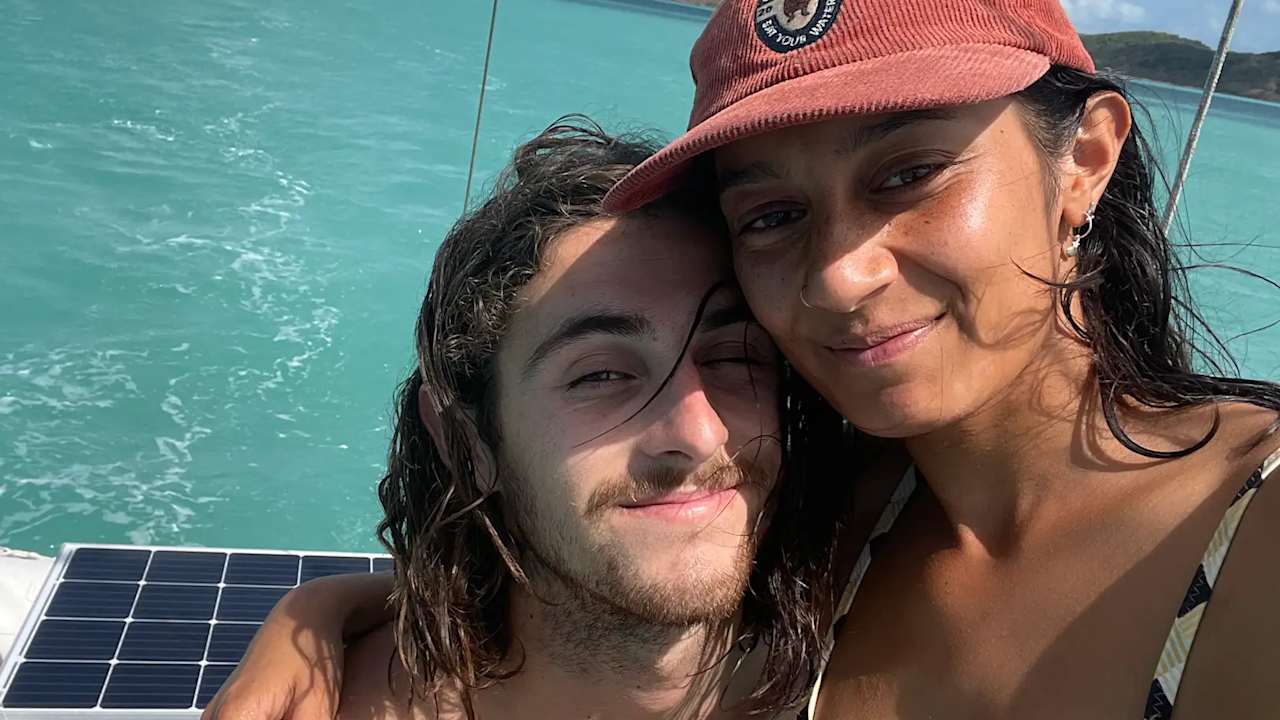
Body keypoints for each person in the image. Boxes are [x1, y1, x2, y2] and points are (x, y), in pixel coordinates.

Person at [211, 1, 1280, 718]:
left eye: (907, 174)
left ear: (1083, 158)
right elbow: (572, 574)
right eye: (770, 215)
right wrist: (325, 619)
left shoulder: (1253, 536)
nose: (840, 276)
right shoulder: (834, 520)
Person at [203, 117, 881, 720]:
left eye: (733, 356)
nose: (698, 434)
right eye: (601, 375)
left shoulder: (882, 658)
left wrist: (319, 606)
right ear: (466, 443)